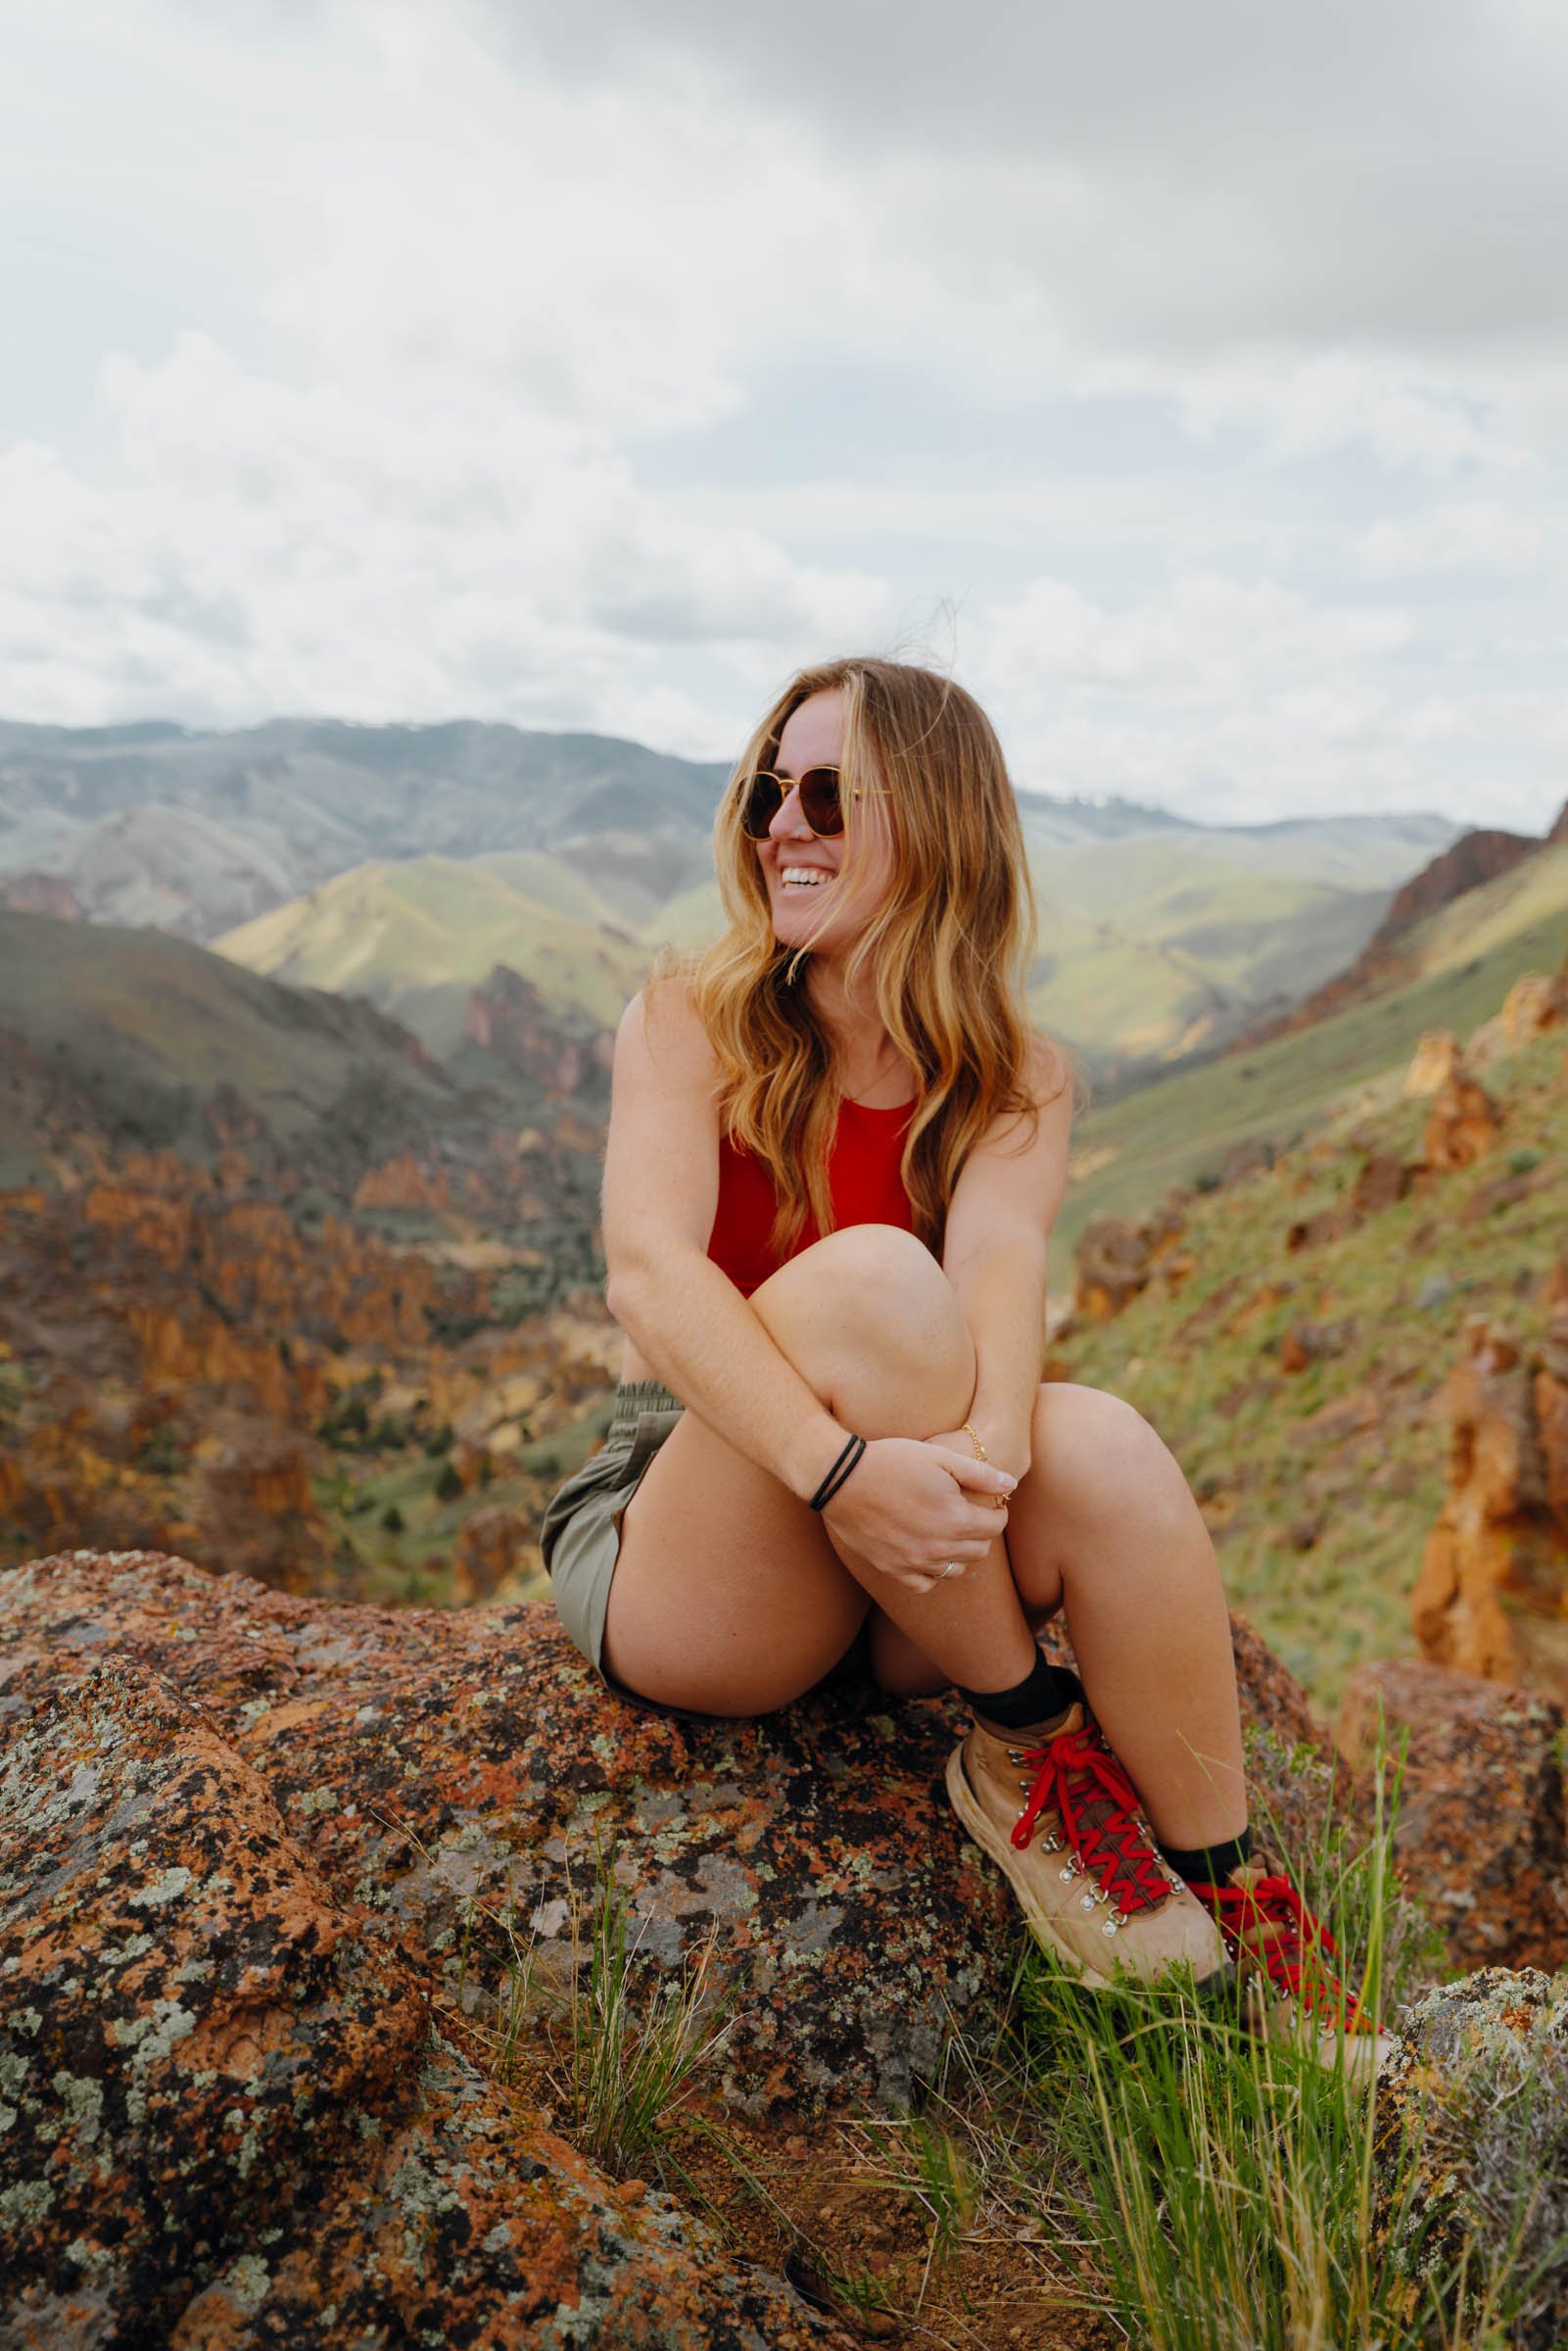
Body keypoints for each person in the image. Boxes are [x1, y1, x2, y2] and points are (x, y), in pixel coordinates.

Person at [541, 655, 1387, 2076]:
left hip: (901, 1556)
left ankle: (1245, 1914)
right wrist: (838, 1471)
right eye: (765, 790)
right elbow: (649, 1280)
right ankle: (1023, 1739)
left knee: (1102, 1437)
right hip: (703, 1545)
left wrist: (976, 1468)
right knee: (876, 1277)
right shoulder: (687, 1017)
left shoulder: (1015, 1076)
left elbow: (1002, 1266)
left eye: (824, 794)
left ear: (933, 823)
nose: (779, 826)